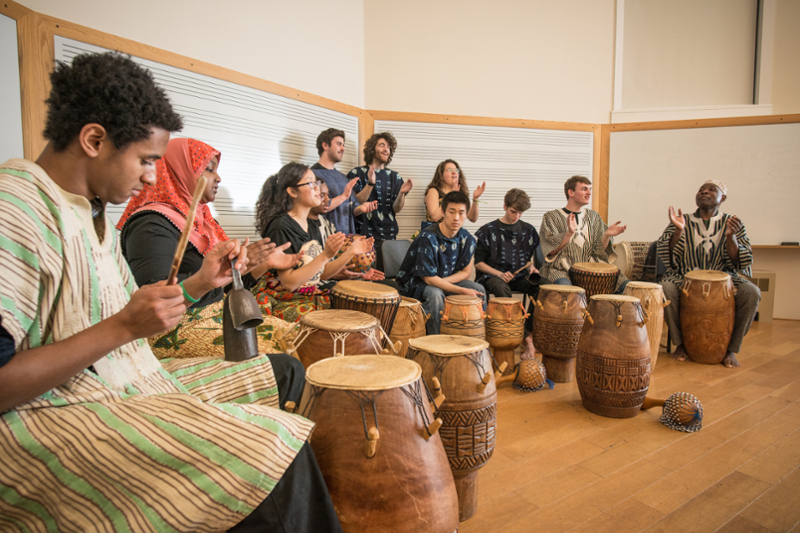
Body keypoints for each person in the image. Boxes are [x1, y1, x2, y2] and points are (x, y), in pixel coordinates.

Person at [0, 52, 342, 532]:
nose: (150, 176)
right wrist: (122, 327)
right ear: (94, 140)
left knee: (285, 373)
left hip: (127, 384)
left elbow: (135, 312)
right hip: (54, 414)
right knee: (271, 452)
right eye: (144, 160)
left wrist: (203, 281)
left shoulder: (89, 214)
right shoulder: (15, 208)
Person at [117, 137, 301, 360]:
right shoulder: (151, 223)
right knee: (284, 359)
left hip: (217, 315)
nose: (218, 178)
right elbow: (156, 302)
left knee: (302, 338)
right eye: (209, 169)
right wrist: (208, 280)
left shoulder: (202, 222)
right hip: (177, 329)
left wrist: (253, 266)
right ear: (179, 170)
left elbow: (220, 289)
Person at [657, 180, 760, 368]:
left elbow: (739, 261)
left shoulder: (732, 222)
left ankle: (731, 348)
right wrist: (678, 231)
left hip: (723, 276)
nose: (704, 192)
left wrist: (731, 237)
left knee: (751, 292)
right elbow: (668, 255)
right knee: (666, 288)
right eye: (701, 190)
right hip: (684, 275)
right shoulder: (682, 220)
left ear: (723, 198)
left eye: (711, 190)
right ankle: (681, 344)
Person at [251, 162, 371, 323]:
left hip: (306, 294)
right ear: (292, 191)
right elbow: (290, 283)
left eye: (316, 182)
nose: (317, 188)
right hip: (282, 301)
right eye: (310, 183)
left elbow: (320, 273)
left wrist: (350, 252)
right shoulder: (281, 226)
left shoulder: (312, 224)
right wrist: (326, 255)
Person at [396, 191, 486, 335]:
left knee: (478, 290)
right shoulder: (427, 237)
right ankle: (435, 342)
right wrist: (460, 290)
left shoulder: (467, 238)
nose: (456, 217)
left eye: (461, 213)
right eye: (452, 212)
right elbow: (428, 278)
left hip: (441, 280)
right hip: (416, 283)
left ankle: (477, 339)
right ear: (443, 212)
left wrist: (444, 283)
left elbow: (466, 273)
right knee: (436, 294)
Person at [474, 188, 540, 358]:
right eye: (513, 211)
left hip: (519, 276)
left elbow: (527, 261)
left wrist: (530, 269)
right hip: (492, 276)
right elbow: (479, 263)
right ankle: (523, 339)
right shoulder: (488, 230)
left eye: (520, 213)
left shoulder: (528, 230)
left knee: (544, 287)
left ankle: (529, 333)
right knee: (503, 292)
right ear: (504, 206)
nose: (516, 216)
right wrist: (498, 273)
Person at [539, 175, 629, 293]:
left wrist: (606, 235)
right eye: (584, 189)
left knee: (627, 285)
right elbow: (550, 251)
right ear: (571, 192)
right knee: (568, 292)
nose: (589, 193)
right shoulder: (551, 217)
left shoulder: (594, 217)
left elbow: (599, 250)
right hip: (561, 270)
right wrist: (569, 234)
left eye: (590, 189)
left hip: (591, 269)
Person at [348, 132, 413, 270]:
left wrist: (401, 194)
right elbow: (356, 203)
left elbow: (395, 209)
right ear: (372, 148)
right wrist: (370, 184)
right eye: (382, 145)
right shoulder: (357, 173)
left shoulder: (395, 177)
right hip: (363, 234)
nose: (386, 150)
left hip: (388, 236)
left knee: (386, 278)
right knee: (365, 279)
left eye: (389, 147)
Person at [308, 177, 385, 282]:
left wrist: (359, 267)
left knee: (389, 285)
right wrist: (335, 274)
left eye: (327, 194)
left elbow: (337, 257)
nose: (327, 199)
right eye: (321, 195)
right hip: (320, 285)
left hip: (330, 278)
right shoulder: (298, 225)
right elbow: (304, 273)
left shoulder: (327, 224)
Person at [311, 128, 377, 235]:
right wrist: (343, 197)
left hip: (347, 238)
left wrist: (361, 208)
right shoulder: (311, 175)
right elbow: (315, 207)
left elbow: (353, 208)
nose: (343, 148)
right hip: (325, 237)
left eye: (343, 145)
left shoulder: (343, 177)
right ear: (325, 146)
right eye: (338, 144)